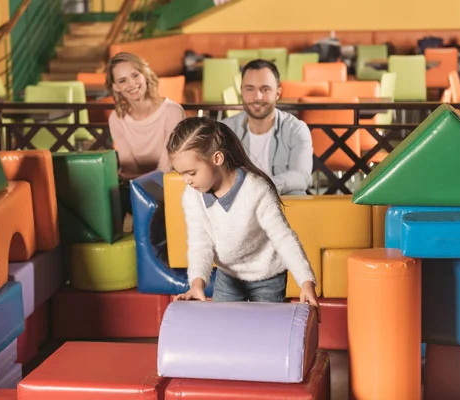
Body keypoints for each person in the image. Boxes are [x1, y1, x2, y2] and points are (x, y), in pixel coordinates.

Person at [167, 116, 319, 310]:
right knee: (224, 329)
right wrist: (197, 283)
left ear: (217, 159)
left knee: (264, 331)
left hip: (267, 275)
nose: (186, 180)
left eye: (192, 172)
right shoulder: (192, 195)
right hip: (229, 275)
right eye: (182, 174)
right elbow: (200, 242)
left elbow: (283, 237)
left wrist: (306, 281)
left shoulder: (256, 189)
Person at [107, 52, 186, 216]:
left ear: (145, 74)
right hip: (134, 189)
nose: (131, 84)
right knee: (111, 195)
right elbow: (129, 168)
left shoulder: (173, 112)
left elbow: (166, 166)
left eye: (135, 75)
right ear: (115, 87)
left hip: (169, 187)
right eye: (122, 80)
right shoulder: (116, 118)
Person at [223, 59, 313, 195]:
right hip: (238, 203)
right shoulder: (225, 130)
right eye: (250, 89)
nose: (257, 97)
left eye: (265, 89)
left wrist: (263, 187)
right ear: (241, 91)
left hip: (281, 201)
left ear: (278, 93)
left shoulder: (296, 129)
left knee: (298, 194)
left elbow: (302, 177)